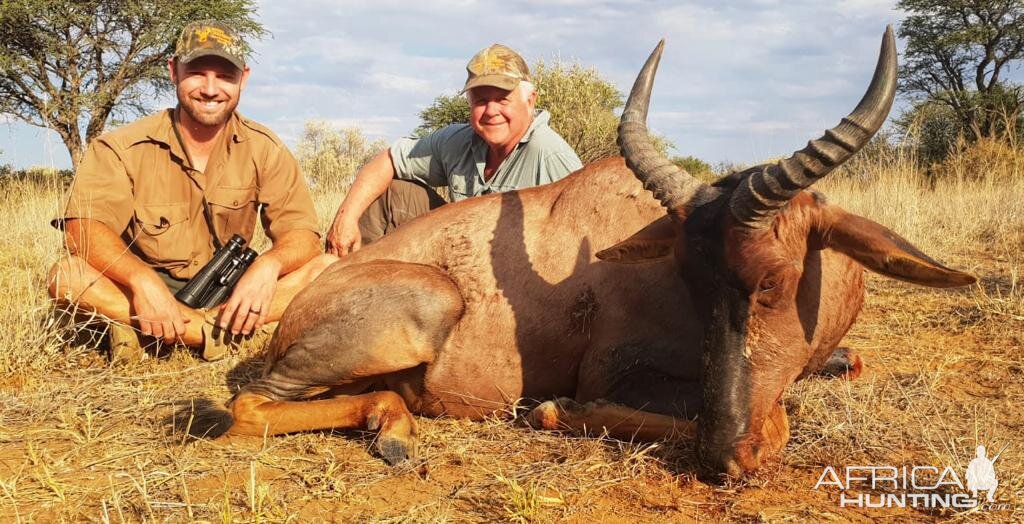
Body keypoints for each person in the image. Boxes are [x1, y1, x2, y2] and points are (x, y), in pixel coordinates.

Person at [47, 20, 333, 362]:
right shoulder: (120, 147)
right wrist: (141, 280)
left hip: (230, 292)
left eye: (225, 76)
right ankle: (215, 334)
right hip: (145, 290)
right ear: (173, 72)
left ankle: (161, 332)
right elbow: (83, 232)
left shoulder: (266, 147)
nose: (211, 88)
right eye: (197, 72)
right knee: (66, 276)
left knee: (329, 267)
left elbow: (303, 236)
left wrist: (268, 266)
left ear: (244, 78)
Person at [326, 43, 583, 255]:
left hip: (510, 274)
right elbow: (388, 159)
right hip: (457, 248)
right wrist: (345, 219)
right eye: (481, 101)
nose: (491, 111)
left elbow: (578, 242)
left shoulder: (551, 156)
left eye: (502, 99)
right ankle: (346, 286)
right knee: (391, 193)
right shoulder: (458, 140)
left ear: (530, 100)